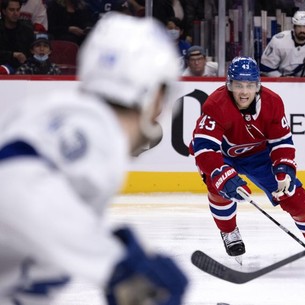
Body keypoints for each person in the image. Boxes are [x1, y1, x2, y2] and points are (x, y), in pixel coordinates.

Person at [0, 12, 187, 305]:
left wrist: (106, 248)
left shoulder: (66, 116)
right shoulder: (94, 127)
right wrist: (116, 266)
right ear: (152, 92)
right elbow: (13, 184)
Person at [190, 56, 305, 264]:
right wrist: (222, 175)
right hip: (223, 155)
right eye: (238, 85)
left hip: (259, 156)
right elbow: (205, 148)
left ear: (258, 86)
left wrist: (284, 170)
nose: (244, 92)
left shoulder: (272, 102)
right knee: (218, 187)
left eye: (249, 85)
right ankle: (229, 232)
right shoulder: (216, 104)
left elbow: (282, 141)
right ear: (229, 85)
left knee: (294, 195)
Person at [0, 0, 34, 74]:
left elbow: (32, 52)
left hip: (24, 68)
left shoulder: (27, 30)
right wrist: (13, 55)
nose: (15, 13)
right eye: (12, 10)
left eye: (18, 10)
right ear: (4, 11)